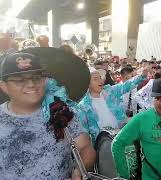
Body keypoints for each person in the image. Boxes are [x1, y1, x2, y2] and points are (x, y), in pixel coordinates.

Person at [0, 51, 96, 179]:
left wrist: (79, 170)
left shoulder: (59, 111)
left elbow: (85, 148)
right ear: (4, 86)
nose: (31, 84)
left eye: (36, 78)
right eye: (20, 80)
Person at [78, 66, 148, 142]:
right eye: (95, 79)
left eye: (100, 78)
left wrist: (141, 77)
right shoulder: (84, 106)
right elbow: (84, 133)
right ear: (87, 83)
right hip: (103, 144)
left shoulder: (110, 92)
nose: (100, 81)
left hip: (121, 136)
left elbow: (126, 86)